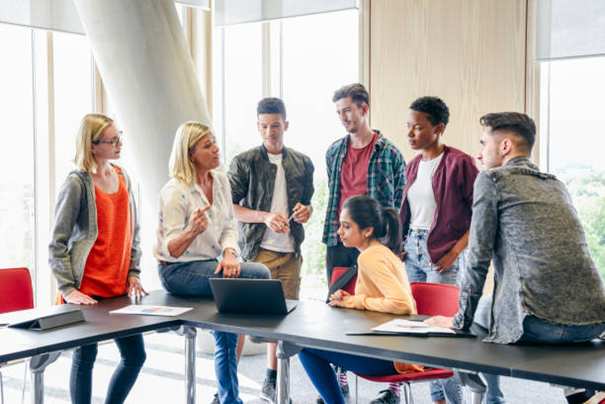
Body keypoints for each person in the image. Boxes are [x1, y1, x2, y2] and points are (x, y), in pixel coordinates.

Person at [426, 112, 605, 404]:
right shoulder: (557, 184)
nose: (479, 153)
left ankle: (486, 397)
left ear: (506, 145)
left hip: (538, 323)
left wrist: (458, 322)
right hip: (594, 320)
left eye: (484, 143)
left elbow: (478, 257)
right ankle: (581, 395)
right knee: (502, 309)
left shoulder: (492, 179)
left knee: (479, 315)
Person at [300, 195, 463, 404]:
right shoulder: (382, 252)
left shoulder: (369, 257)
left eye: (346, 226)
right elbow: (385, 300)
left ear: (367, 231)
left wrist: (358, 302)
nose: (339, 232)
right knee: (310, 346)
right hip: (400, 351)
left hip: (391, 357)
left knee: (304, 346)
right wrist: (353, 299)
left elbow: (402, 304)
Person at [154, 121, 271, 404]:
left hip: (210, 263)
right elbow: (170, 250)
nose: (216, 148)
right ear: (191, 153)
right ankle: (260, 327)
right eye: (208, 145)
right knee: (259, 273)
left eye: (215, 141)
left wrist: (231, 254)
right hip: (177, 270)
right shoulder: (175, 192)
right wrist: (191, 230)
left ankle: (230, 400)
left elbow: (230, 226)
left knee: (227, 332)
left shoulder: (220, 182)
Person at [49, 113, 148, 404]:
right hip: (88, 290)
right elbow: (57, 241)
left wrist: (134, 270)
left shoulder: (122, 176)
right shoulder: (77, 184)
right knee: (86, 356)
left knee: (135, 357)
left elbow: (133, 230)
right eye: (112, 140)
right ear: (93, 146)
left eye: (120, 136)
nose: (119, 144)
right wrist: (68, 288)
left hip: (118, 289)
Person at [227, 97, 314, 403]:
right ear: (257, 126)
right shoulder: (244, 162)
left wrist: (306, 211)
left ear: (285, 125)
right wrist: (264, 216)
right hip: (255, 252)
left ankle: (272, 382)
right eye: (264, 126)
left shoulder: (302, 163)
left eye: (275, 125)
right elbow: (231, 208)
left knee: (282, 322)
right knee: (239, 322)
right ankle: (228, 387)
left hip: (290, 254)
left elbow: (308, 203)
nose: (270, 132)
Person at [323, 83, 406, 403]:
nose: (343, 117)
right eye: (339, 112)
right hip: (340, 239)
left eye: (347, 110)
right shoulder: (334, 151)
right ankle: (340, 376)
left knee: (387, 309)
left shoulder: (390, 153)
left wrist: (394, 244)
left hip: (377, 243)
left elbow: (398, 202)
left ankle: (395, 387)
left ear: (364, 109)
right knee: (339, 306)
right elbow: (334, 195)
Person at [399, 97, 479, 404]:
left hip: (444, 254)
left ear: (438, 128)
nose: (410, 134)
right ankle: (439, 400)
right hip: (413, 251)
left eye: (417, 128)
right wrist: (402, 245)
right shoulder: (413, 166)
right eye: (408, 127)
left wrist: (455, 253)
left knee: (443, 335)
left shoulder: (461, 162)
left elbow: (480, 216)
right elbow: (408, 212)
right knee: (420, 331)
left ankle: (457, 400)